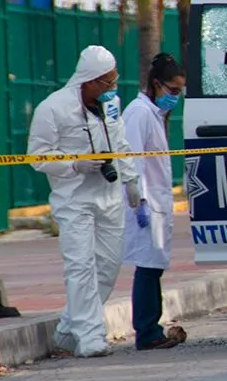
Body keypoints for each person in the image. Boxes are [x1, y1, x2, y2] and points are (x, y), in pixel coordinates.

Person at [27, 45, 141, 357]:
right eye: (107, 82)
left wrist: (131, 180)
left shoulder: (112, 105)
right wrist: (73, 163)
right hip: (73, 199)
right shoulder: (53, 109)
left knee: (108, 266)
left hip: (108, 197)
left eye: (114, 81)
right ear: (88, 80)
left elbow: (120, 142)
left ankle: (67, 330)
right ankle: (91, 337)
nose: (112, 88)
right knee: (80, 266)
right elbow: (37, 156)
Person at [122, 53, 188, 350]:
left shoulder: (153, 113)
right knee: (147, 267)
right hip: (146, 203)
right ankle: (146, 331)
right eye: (172, 91)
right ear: (156, 84)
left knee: (153, 266)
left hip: (157, 202)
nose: (175, 97)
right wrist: (139, 197)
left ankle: (151, 327)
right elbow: (132, 158)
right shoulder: (138, 113)